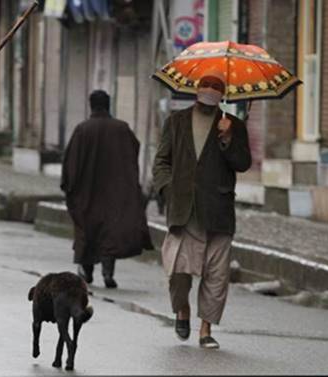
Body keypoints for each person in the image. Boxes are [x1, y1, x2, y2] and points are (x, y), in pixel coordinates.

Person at [152, 68, 252, 349]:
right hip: (184, 211)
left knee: (216, 274)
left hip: (218, 210)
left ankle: (206, 329)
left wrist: (227, 138)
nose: (209, 93)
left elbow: (242, 163)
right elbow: (161, 161)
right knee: (178, 271)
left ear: (222, 96)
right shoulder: (176, 121)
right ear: (196, 91)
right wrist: (168, 188)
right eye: (205, 88)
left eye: (215, 90)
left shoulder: (233, 125)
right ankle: (182, 310)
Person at [61, 90, 153, 289]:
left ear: (91, 105)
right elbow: (133, 153)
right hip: (115, 193)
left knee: (87, 232)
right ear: (109, 105)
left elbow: (71, 164)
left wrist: (69, 188)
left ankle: (86, 270)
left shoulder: (82, 130)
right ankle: (108, 271)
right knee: (109, 234)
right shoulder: (122, 129)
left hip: (87, 194)